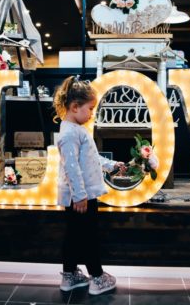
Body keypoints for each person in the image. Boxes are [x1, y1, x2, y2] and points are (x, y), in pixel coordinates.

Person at [53, 76, 126, 296]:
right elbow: (72, 168)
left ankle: (70, 275)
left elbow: (91, 159)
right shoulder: (69, 134)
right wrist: (80, 196)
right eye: (90, 108)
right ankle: (97, 277)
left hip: (81, 195)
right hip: (81, 198)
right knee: (88, 237)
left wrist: (112, 165)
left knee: (75, 236)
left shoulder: (76, 130)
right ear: (75, 107)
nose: (92, 113)